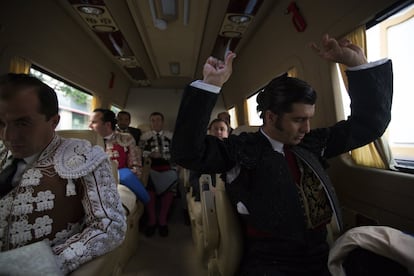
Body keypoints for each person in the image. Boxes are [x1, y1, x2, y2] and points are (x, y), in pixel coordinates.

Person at [172, 34, 393, 275]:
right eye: (298, 120)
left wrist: (356, 64)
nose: (306, 128)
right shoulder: (242, 149)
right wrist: (211, 84)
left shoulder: (312, 143)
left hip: (324, 253)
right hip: (270, 262)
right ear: (271, 117)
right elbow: (187, 153)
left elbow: (369, 125)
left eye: (308, 119)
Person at [0, 73, 127, 274]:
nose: (8, 136)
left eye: (23, 123)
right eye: (1, 123)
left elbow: (109, 226)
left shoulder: (85, 156)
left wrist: (43, 263)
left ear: (54, 122)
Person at [89, 108, 149, 204]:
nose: (89, 126)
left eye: (94, 122)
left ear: (107, 125)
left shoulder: (126, 139)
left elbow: (136, 167)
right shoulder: (88, 142)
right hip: (95, 181)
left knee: (125, 175)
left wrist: (117, 177)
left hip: (120, 179)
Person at [140, 111, 176, 237]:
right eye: (153, 120)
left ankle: (162, 221)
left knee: (171, 184)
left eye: (158, 120)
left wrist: (165, 156)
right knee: (149, 186)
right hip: (150, 167)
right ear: (150, 123)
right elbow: (140, 152)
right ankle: (152, 221)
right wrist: (149, 154)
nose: (156, 123)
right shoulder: (145, 136)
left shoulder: (170, 136)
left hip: (167, 167)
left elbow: (176, 154)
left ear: (163, 122)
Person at [189, 118, 229, 201]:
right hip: (208, 194)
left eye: (222, 129)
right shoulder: (200, 152)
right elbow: (193, 179)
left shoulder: (235, 151)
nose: (218, 132)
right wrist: (208, 188)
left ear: (227, 133)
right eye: (215, 129)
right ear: (209, 132)